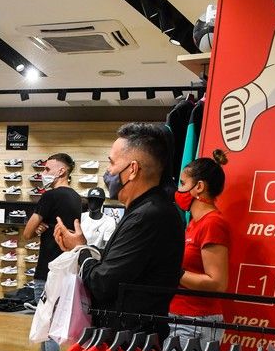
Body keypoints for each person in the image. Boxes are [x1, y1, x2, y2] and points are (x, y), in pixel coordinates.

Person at [53, 123, 185, 339]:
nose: (108, 172)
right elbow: (119, 268)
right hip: (129, 337)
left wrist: (80, 250)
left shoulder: (148, 215)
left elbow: (103, 283)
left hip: (129, 343)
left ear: (132, 170)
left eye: (112, 163)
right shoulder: (147, 209)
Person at [23, 153, 84, 351]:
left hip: (47, 269)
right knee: (53, 323)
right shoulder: (75, 198)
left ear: (61, 171)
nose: (43, 173)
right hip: (67, 268)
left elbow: (27, 232)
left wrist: (37, 226)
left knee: (46, 326)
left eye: (47, 169)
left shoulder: (51, 196)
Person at [169, 150, 230, 346]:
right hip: (181, 318)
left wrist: (172, 271)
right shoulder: (194, 223)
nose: (179, 190)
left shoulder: (212, 223)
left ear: (199, 187)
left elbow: (217, 283)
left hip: (195, 322)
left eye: (183, 184)